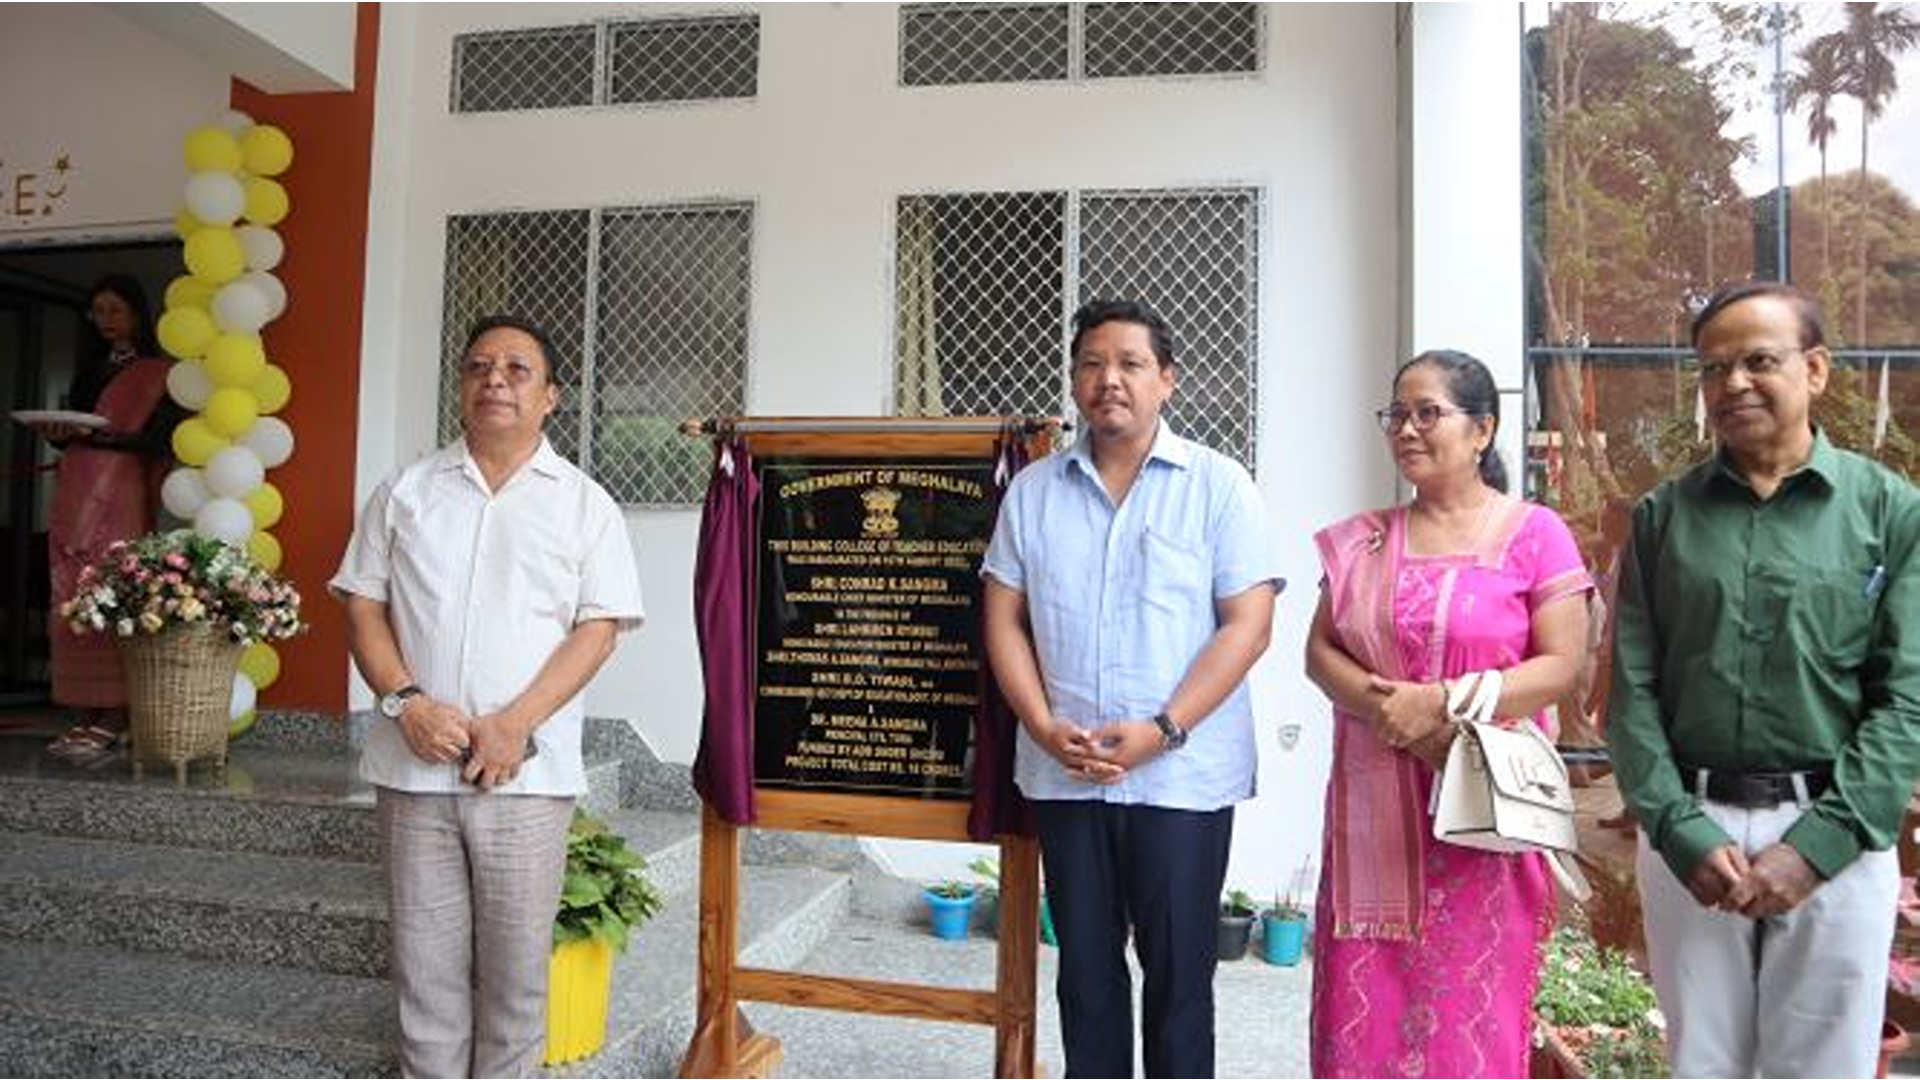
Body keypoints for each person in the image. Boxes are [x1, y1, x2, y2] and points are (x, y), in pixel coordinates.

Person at [1606, 282, 1920, 1078]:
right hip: (1695, 835)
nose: (1732, 384)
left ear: (1814, 370)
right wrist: (1679, 829)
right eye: (1713, 369)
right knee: (1700, 1062)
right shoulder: (1662, 517)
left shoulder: (1889, 513)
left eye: (1758, 361)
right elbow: (1633, 689)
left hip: (1836, 837)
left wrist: (1818, 846)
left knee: (1824, 1065)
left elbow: (1906, 697)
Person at [330, 315, 643, 1078]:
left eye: (516, 368)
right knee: (424, 976)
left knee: (514, 985)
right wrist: (407, 701)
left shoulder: (583, 504)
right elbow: (362, 606)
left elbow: (599, 628)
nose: (495, 379)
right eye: (478, 367)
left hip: (526, 777)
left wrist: (514, 725)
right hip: (414, 770)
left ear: (550, 397)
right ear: (462, 388)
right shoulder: (406, 491)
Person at [981, 298, 1281, 1078]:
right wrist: (1044, 726)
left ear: (1167, 380)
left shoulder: (1219, 486)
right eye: (1091, 363)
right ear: (1075, 380)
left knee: (1181, 980)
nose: (1108, 379)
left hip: (1181, 777)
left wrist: (1164, 729)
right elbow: (1003, 620)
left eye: (1130, 364)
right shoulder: (1033, 493)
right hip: (1067, 774)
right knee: (1084, 977)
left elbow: (1248, 625)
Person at [1304, 350, 1592, 1077]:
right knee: (1360, 1019)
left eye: (1428, 412)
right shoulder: (1362, 538)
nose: (1407, 428)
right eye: (1396, 413)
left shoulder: (1534, 534)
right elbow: (1318, 652)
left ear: (1482, 429)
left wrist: (1441, 705)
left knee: (1474, 1019)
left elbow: (1561, 666)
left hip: (1485, 820)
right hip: (1374, 823)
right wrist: (1389, 708)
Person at [41, 275, 181, 765]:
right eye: (97, 311)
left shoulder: (160, 373)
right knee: (71, 595)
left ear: (138, 315)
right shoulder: (91, 368)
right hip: (76, 491)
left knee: (113, 591)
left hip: (120, 494)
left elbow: (162, 441)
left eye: (114, 310)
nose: (105, 321)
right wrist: (62, 435)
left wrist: (98, 438)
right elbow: (76, 432)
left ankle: (116, 716)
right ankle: (86, 710)